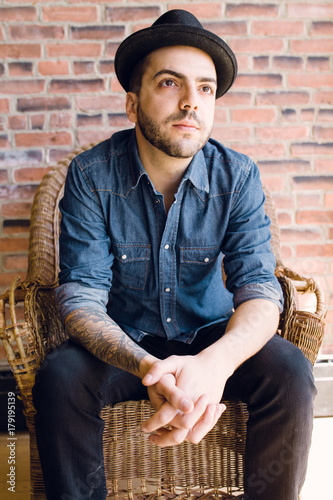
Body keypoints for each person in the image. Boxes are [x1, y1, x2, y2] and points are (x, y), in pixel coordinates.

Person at [32, 9, 316, 500]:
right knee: (59, 379)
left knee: (291, 373)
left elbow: (261, 290)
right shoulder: (90, 175)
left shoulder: (238, 176)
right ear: (131, 103)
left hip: (210, 335)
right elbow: (80, 298)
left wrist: (213, 365)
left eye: (206, 88)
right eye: (169, 83)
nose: (191, 103)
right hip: (124, 342)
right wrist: (147, 366)